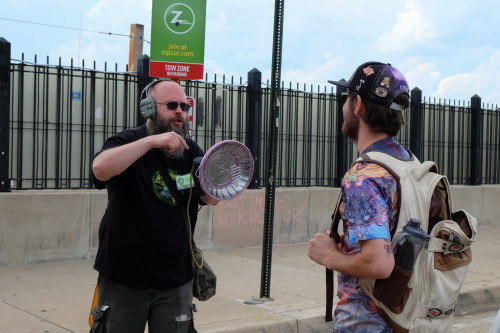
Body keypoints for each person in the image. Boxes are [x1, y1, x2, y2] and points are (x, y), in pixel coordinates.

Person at [90, 80, 219, 333]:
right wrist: (151, 142)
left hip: (175, 278)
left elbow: (209, 198)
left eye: (184, 106)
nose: (180, 111)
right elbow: (100, 169)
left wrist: (220, 184)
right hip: (123, 277)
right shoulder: (128, 141)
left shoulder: (190, 149)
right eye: (172, 105)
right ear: (148, 108)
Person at [308, 61, 411, 333]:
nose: (344, 106)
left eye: (348, 97)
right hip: (404, 317)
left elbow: (377, 262)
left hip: (367, 322)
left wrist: (329, 256)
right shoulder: (408, 164)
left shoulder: (363, 177)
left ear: (359, 106)